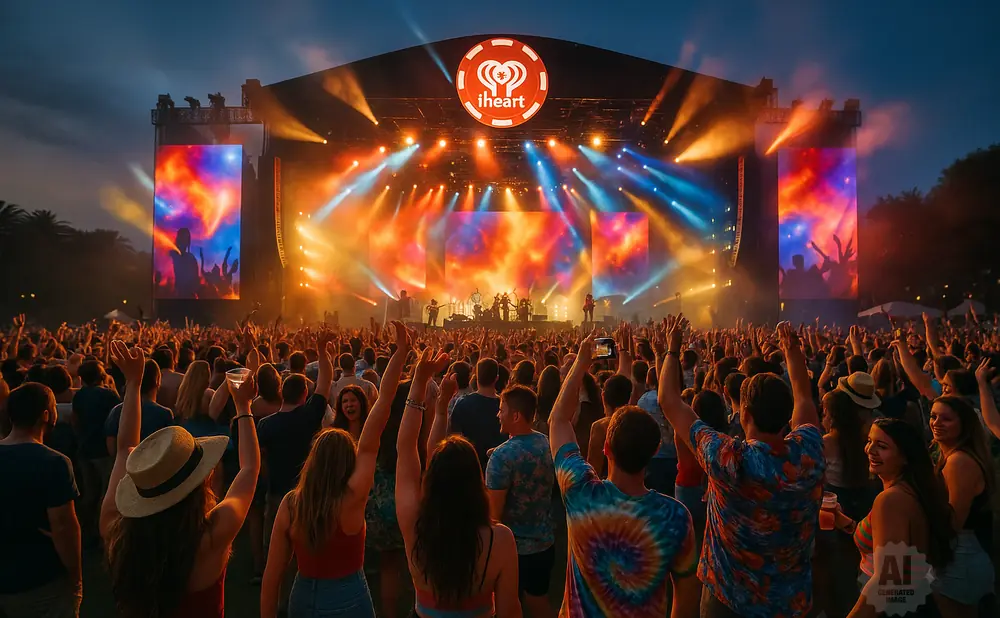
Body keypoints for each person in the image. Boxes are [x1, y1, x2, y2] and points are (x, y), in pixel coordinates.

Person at [660, 318, 825, 617]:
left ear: (745, 414)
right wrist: (792, 351)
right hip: (789, 600)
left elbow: (669, 401)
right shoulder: (809, 449)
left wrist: (672, 350)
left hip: (728, 599)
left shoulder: (729, 459)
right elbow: (803, 395)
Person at [100, 340, 260, 618]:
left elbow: (125, 448)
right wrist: (243, 406)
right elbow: (249, 469)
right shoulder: (210, 538)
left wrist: (134, 384)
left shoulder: (116, 531)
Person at [261, 322, 410, 618]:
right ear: (347, 461)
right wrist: (402, 353)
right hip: (350, 596)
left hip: (303, 597)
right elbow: (382, 406)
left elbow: (271, 577)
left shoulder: (291, 504)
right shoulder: (353, 497)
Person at [548, 334, 699, 617]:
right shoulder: (675, 517)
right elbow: (687, 599)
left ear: (606, 447)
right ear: (654, 451)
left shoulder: (580, 492)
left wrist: (581, 362)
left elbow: (558, 420)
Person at [397, 347, 521, 617]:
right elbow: (510, 610)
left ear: (432, 479)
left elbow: (406, 448)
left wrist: (420, 383)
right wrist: (439, 411)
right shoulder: (500, 539)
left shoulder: (415, 527)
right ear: (476, 480)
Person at [830, 419, 953, 618]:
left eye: (882, 446)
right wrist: (846, 522)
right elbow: (888, 541)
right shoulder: (911, 490)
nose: (870, 450)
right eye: (870, 441)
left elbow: (888, 580)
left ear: (905, 457)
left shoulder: (890, 500)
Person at [0, 382, 82, 618]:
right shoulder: (54, 462)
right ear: (46, 415)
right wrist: (76, 576)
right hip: (40, 579)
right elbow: (65, 527)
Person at [486, 385, 556, 618]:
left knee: (507, 607)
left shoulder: (502, 457)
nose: (498, 414)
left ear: (515, 416)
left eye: (501, 410)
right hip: (545, 541)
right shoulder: (548, 443)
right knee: (538, 601)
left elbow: (493, 514)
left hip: (511, 548)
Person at [929, 395, 995, 615]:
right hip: (959, 556)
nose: (936, 423)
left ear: (964, 425)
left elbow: (952, 523)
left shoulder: (960, 462)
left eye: (945, 419)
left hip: (961, 558)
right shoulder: (950, 456)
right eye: (933, 416)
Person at [103, 358, 174, 457]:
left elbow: (111, 442)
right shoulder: (164, 414)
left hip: (126, 466)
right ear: (158, 381)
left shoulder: (117, 410)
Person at [449, 357, 506, 473]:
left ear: (475, 377)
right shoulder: (505, 406)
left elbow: (453, 437)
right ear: (496, 379)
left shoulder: (462, 403)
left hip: (469, 469)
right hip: (499, 468)